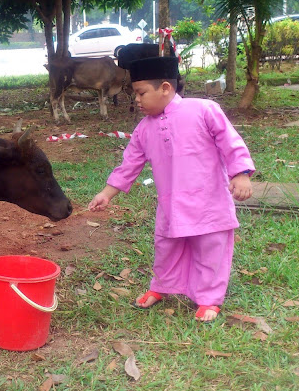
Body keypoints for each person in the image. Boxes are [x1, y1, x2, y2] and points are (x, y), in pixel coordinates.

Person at [88, 56, 255, 322]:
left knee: (211, 248)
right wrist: (106, 194)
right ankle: (162, 286)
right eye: (135, 95)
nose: (137, 101)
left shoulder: (204, 109)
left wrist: (241, 173)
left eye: (142, 93)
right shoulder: (143, 129)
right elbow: (129, 165)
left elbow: (230, 141)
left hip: (208, 200)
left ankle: (209, 298)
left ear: (165, 87)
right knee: (166, 247)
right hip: (171, 203)